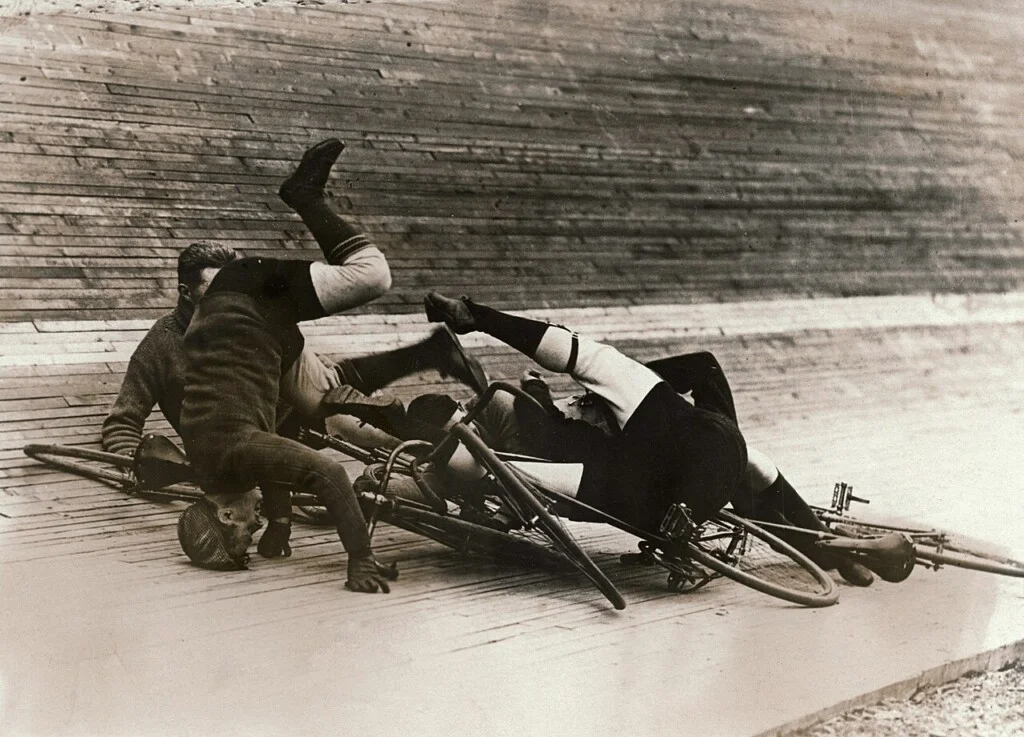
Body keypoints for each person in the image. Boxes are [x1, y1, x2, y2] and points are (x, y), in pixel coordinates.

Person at [417, 293, 875, 587]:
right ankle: (822, 545)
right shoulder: (594, 421)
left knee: (595, 382)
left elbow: (509, 470)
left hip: (653, 482)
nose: (583, 404)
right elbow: (762, 471)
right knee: (605, 367)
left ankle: (821, 545)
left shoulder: (586, 435)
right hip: (692, 459)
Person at [174, 137, 402, 592]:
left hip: (246, 297)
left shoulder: (232, 455)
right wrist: (280, 520)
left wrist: (360, 558)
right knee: (315, 404)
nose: (251, 531)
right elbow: (270, 455)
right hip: (238, 325)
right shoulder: (214, 465)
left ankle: (304, 197)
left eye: (242, 533)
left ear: (224, 513)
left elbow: (330, 473)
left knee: (372, 275)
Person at [101, 244, 487, 457]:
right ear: (186, 294)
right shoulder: (160, 345)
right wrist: (137, 462)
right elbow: (122, 422)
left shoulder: (248, 319)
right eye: (215, 288)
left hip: (295, 429)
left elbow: (311, 387)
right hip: (237, 446)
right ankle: (432, 361)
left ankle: (480, 455)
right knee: (338, 401)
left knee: (364, 425)